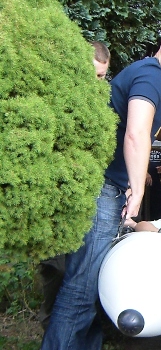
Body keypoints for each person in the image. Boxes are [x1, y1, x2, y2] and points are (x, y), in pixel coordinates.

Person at [37, 23, 161, 350]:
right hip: (104, 191)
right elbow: (136, 133)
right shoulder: (150, 76)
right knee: (80, 288)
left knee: (93, 286)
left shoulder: (153, 77)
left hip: (109, 189)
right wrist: (138, 189)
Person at [37, 41, 112, 329]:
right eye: (92, 74)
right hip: (55, 204)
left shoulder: (104, 106)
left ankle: (80, 336)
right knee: (56, 270)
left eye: (101, 76)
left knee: (85, 273)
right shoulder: (57, 97)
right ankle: (51, 334)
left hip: (89, 205)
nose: (96, 82)